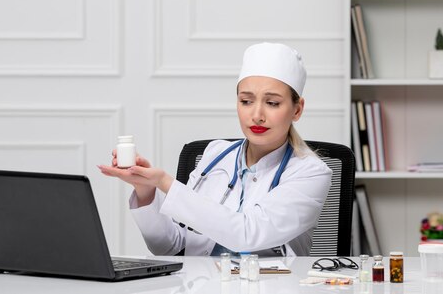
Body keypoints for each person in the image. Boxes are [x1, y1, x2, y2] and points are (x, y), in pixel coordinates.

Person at [98, 42, 332, 256]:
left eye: (272, 103)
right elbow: (168, 246)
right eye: (246, 101)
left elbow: (247, 234)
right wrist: (146, 190)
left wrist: (166, 183)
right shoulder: (215, 154)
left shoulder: (311, 172)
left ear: (297, 109)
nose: (257, 115)